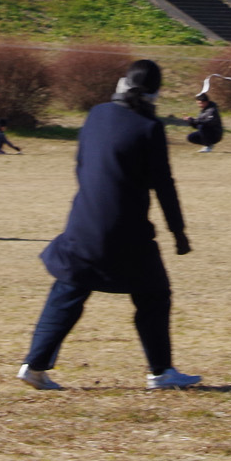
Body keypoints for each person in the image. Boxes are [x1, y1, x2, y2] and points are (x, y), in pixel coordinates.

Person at [19, 60, 200, 390]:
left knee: (69, 289)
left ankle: (34, 366)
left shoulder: (96, 114)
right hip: (126, 230)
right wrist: (179, 232)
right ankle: (161, 372)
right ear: (156, 92)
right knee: (154, 296)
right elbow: (164, 184)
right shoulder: (149, 127)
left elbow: (81, 164)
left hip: (84, 220)